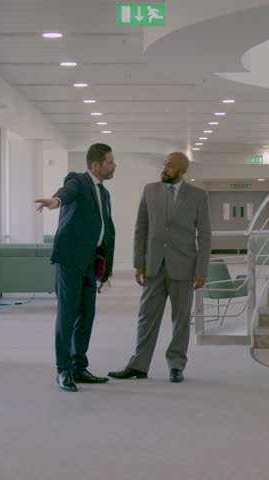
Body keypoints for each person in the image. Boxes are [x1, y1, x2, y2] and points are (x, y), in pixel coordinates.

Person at [109, 152, 211, 383]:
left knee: (181, 319)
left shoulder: (198, 195)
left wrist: (202, 268)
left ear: (182, 170)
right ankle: (138, 365)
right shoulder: (150, 190)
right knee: (146, 316)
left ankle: (176, 365)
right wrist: (139, 263)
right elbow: (141, 229)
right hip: (154, 266)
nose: (164, 168)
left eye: (170, 165)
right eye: (164, 164)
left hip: (184, 267)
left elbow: (205, 234)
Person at [34, 143, 116, 392]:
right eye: (110, 162)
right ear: (96, 165)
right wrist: (56, 201)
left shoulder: (104, 193)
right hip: (70, 259)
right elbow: (66, 192)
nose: (114, 166)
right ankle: (63, 369)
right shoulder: (78, 181)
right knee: (68, 314)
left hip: (91, 261)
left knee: (86, 315)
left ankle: (79, 366)